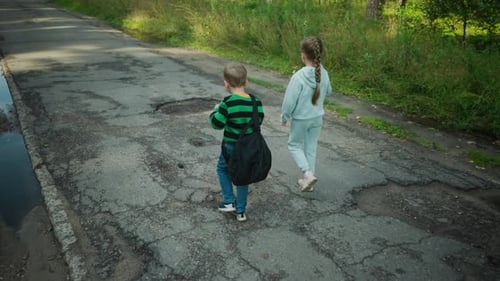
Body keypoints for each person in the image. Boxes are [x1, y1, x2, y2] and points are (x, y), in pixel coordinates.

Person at [209, 62, 265, 222]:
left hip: (230, 146)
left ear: (226, 83)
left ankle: (228, 202)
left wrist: (215, 110)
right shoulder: (256, 102)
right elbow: (258, 121)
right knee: (243, 175)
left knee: (222, 169)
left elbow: (216, 124)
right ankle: (241, 211)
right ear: (246, 81)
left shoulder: (227, 103)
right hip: (249, 147)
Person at [281, 36, 332, 192]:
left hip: (301, 119)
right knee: (311, 147)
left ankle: (308, 174)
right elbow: (328, 91)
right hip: (317, 117)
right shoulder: (324, 73)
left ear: (303, 54)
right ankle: (309, 182)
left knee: (294, 145)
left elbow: (289, 101)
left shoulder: (299, 77)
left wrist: (285, 116)